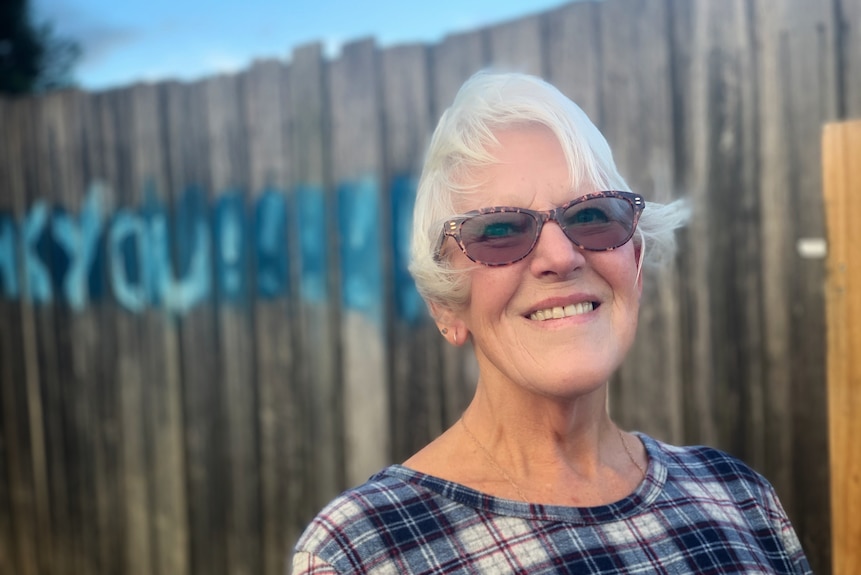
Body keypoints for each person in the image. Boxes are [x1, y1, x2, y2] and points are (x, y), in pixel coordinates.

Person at [291, 71, 812, 574]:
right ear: (446, 305)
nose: (561, 257)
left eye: (591, 216)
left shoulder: (739, 499)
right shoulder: (365, 549)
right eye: (499, 230)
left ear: (634, 264)